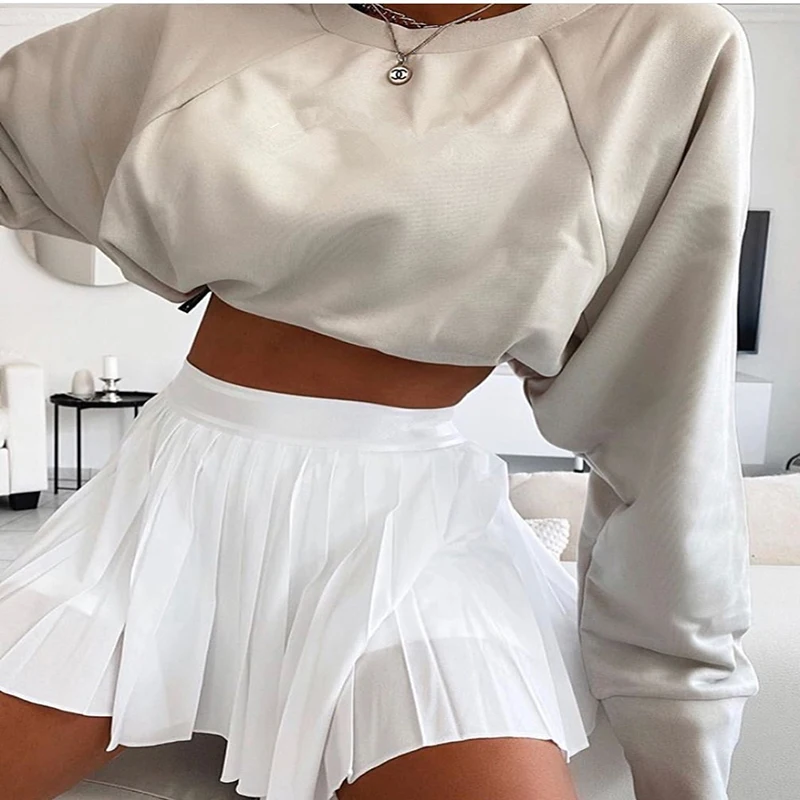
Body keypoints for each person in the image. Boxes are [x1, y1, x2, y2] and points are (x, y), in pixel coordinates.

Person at [0, 3, 759, 800]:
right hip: (166, 500)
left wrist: (680, 741)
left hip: (408, 532)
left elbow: (670, 425)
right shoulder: (221, 19)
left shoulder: (657, 46)